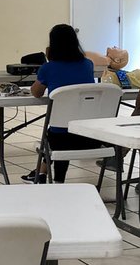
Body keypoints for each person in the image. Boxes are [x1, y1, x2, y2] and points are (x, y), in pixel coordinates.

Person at [25, 23, 100, 184]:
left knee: (55, 133)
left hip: (60, 139)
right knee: (63, 129)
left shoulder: (48, 68)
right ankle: (42, 174)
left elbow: (36, 92)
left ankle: (53, 179)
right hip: (89, 136)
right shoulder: (88, 65)